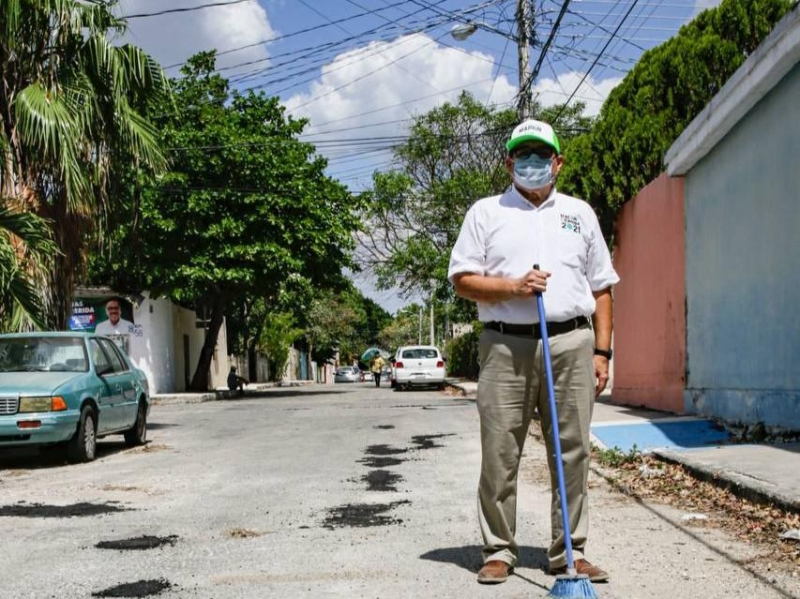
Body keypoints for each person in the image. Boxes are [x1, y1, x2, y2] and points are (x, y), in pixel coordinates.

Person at [447, 118, 619, 585]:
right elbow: (463, 279)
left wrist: (602, 352)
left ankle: (570, 553)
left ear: (558, 161)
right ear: (508, 162)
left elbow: (602, 287)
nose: (532, 163)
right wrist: (512, 286)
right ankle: (500, 549)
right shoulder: (485, 213)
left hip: (571, 343)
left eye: (541, 155)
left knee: (573, 453)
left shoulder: (580, 214)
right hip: (506, 343)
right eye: (523, 154)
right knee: (501, 451)